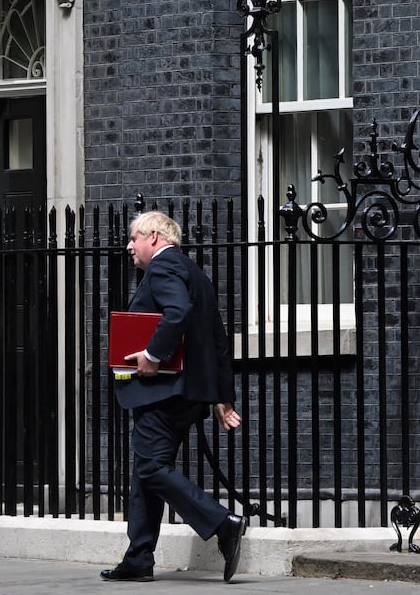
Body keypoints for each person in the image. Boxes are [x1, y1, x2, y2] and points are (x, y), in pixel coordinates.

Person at [100, 211, 246, 584]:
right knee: (146, 472)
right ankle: (138, 558)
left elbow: (176, 312)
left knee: (151, 468)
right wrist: (222, 397)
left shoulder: (163, 268)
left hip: (163, 393)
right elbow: (217, 339)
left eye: (134, 238)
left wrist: (152, 355)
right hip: (189, 394)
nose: (129, 246)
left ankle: (222, 523)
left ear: (153, 236)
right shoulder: (196, 273)